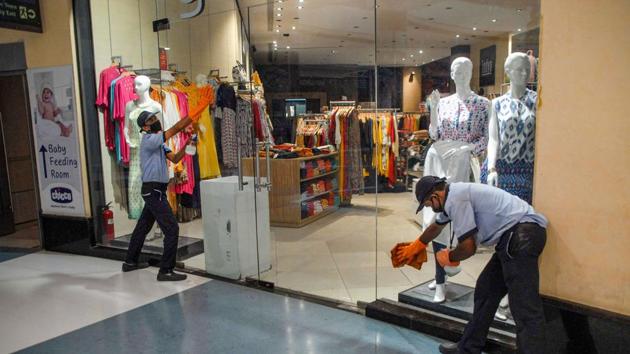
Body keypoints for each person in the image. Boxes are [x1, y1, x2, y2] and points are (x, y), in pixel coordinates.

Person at [391, 176, 548, 354]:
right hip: (514, 237)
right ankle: (468, 348)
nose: (429, 207)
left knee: (524, 308)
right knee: (486, 290)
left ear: (435, 195)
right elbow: (436, 226)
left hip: (521, 235)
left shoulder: (456, 199)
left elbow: (468, 247)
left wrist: (449, 256)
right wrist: (417, 245)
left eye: (427, 204)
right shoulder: (453, 194)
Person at [122, 110, 196, 281]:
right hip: (154, 191)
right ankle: (166, 271)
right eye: (152, 119)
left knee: (143, 227)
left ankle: (130, 262)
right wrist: (192, 115)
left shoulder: (159, 144)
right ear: (145, 126)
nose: (156, 120)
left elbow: (176, 158)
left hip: (154, 191)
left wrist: (189, 143)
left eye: (155, 117)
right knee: (172, 229)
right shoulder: (149, 140)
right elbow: (175, 128)